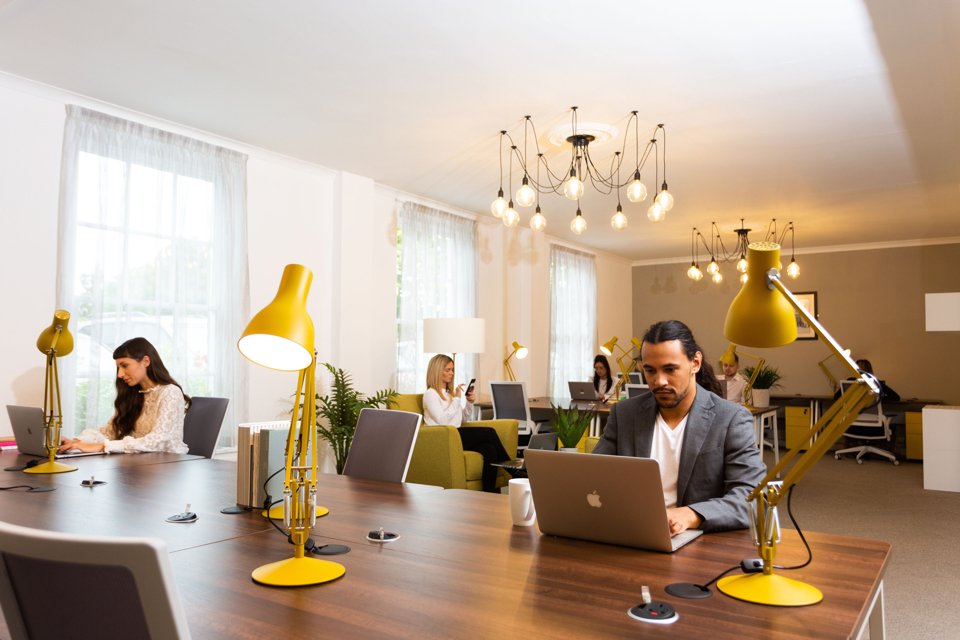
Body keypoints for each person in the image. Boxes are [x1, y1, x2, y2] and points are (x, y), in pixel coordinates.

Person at [592, 320, 766, 534]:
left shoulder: (731, 419)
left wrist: (691, 514)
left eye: (670, 369)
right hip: (632, 533)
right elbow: (594, 478)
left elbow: (753, 497)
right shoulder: (624, 415)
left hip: (697, 543)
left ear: (695, 363)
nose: (659, 381)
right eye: (650, 371)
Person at [59, 337, 190, 454]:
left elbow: (158, 440)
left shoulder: (170, 392)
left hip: (169, 467)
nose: (120, 374)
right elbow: (109, 432)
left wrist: (102, 446)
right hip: (140, 466)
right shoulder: (133, 394)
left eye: (125, 366)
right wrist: (76, 442)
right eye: (118, 368)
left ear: (145, 361)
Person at [423, 354, 510, 493]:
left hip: (456, 433)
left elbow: (462, 419)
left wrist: (469, 402)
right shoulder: (430, 394)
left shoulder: (449, 394)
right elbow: (443, 421)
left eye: (452, 370)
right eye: (447, 370)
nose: (451, 373)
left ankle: (490, 494)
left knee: (489, 450)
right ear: (437, 370)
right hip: (444, 437)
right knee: (489, 432)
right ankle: (513, 471)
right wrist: (457, 399)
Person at [833, 358, 901, 402]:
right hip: (873, 417)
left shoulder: (850, 381)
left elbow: (836, 397)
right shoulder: (876, 383)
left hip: (852, 417)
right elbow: (896, 397)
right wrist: (878, 399)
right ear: (870, 370)